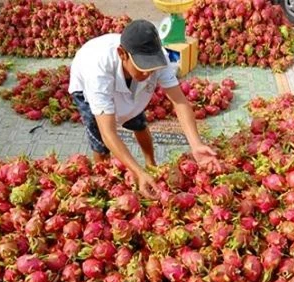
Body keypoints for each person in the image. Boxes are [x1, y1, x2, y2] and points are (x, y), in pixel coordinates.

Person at [68, 19, 220, 198]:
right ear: (122, 54)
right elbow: (108, 133)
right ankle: (105, 177)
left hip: (129, 86)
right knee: (100, 140)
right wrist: (136, 172)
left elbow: (180, 101)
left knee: (138, 121)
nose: (148, 73)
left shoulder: (159, 59)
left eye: (151, 67)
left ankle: (150, 163)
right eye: (142, 66)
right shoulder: (98, 71)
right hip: (85, 85)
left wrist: (196, 144)